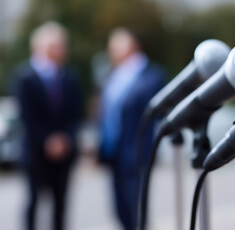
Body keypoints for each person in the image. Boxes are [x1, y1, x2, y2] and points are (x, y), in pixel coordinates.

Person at [15, 22, 84, 230]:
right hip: (36, 151)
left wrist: (65, 139)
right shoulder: (25, 77)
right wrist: (47, 140)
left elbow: (76, 114)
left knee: (60, 203)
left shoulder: (70, 77)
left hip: (64, 152)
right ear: (40, 47)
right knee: (34, 201)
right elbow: (26, 116)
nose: (61, 50)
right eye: (55, 45)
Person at [99, 28, 165, 230]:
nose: (112, 50)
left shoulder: (152, 76)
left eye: (117, 44)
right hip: (114, 152)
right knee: (120, 208)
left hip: (137, 151)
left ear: (133, 46)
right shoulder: (113, 75)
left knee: (135, 207)